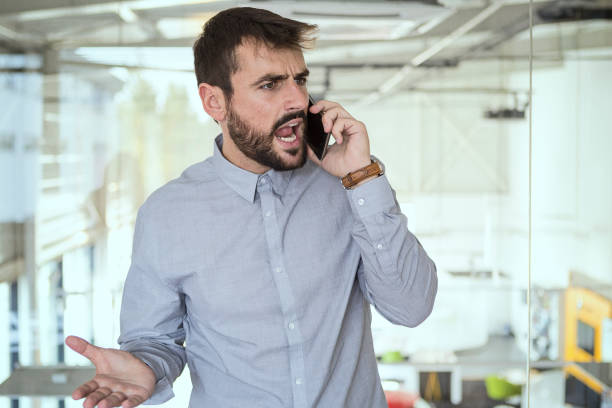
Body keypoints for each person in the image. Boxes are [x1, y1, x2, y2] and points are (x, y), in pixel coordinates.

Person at [65, 7, 437, 408]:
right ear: (215, 102)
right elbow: (156, 341)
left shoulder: (350, 184)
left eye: (300, 80)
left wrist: (363, 178)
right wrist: (146, 365)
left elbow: (411, 307)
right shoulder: (167, 214)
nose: (297, 99)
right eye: (270, 85)